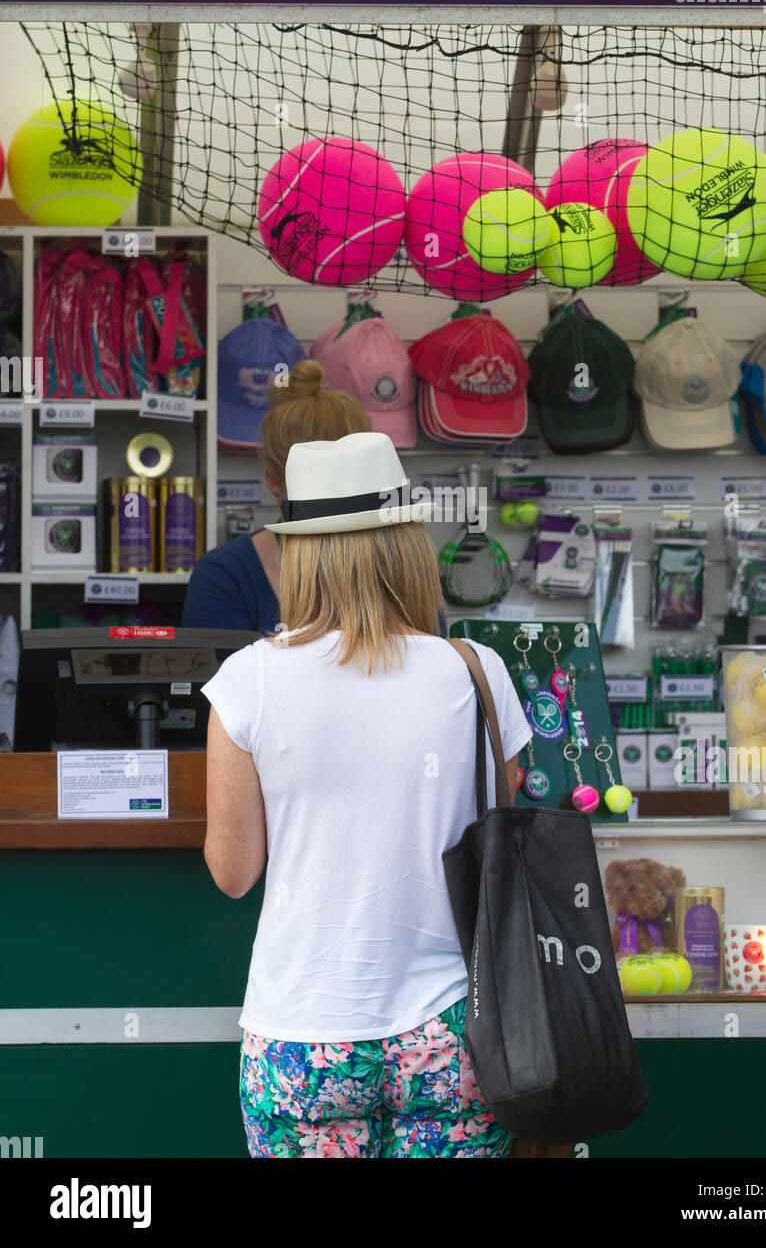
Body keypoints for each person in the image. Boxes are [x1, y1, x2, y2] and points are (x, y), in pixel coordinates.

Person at [202, 431, 532, 1159]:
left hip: (302, 1033)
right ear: (407, 543)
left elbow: (233, 874)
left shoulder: (248, 681)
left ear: (300, 552)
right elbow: (498, 823)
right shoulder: (476, 671)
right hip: (455, 1026)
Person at [182, 360, 372, 634]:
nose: (333, 494)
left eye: (345, 473)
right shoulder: (224, 574)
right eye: (313, 476)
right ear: (274, 481)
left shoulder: (399, 568)